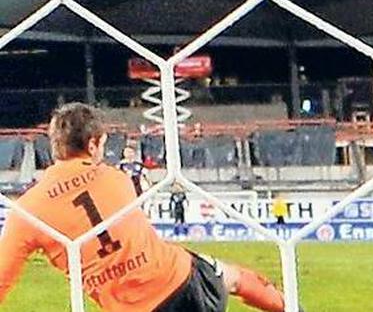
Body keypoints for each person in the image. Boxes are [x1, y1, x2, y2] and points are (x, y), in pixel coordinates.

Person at [0, 103, 286, 312]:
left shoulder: (27, 210)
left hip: (131, 307)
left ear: (54, 146)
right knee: (234, 278)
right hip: (185, 283)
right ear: (93, 144)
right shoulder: (118, 178)